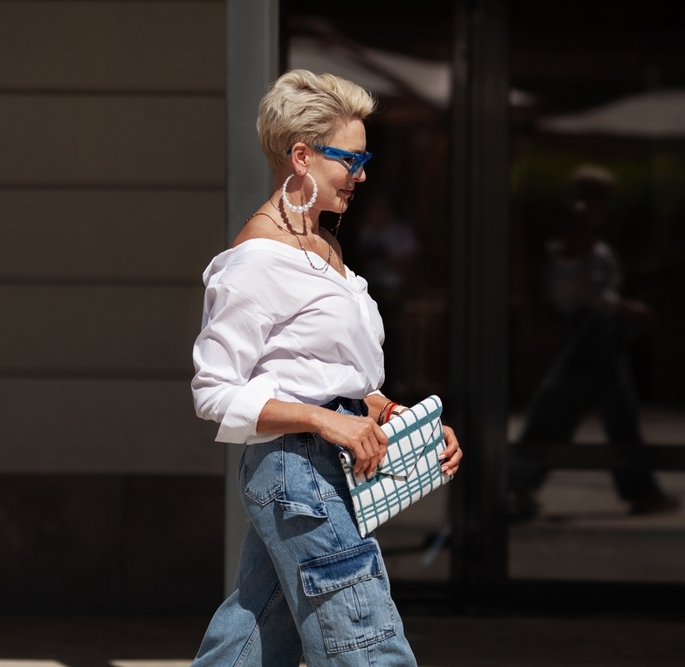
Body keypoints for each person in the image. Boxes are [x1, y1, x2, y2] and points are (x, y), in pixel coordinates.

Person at [190, 70, 462, 666]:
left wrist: (398, 417)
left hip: (320, 468)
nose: (362, 174)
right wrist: (324, 421)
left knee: (252, 641)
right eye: (352, 159)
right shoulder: (254, 261)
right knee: (367, 645)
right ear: (302, 156)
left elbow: (337, 378)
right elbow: (214, 392)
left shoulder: (324, 246)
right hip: (297, 473)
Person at [510, 165, 680, 520]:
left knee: (576, 413)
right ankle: (517, 484)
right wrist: (624, 307)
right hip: (588, 334)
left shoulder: (590, 240)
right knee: (588, 413)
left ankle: (519, 484)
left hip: (597, 334)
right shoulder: (574, 238)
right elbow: (578, 289)